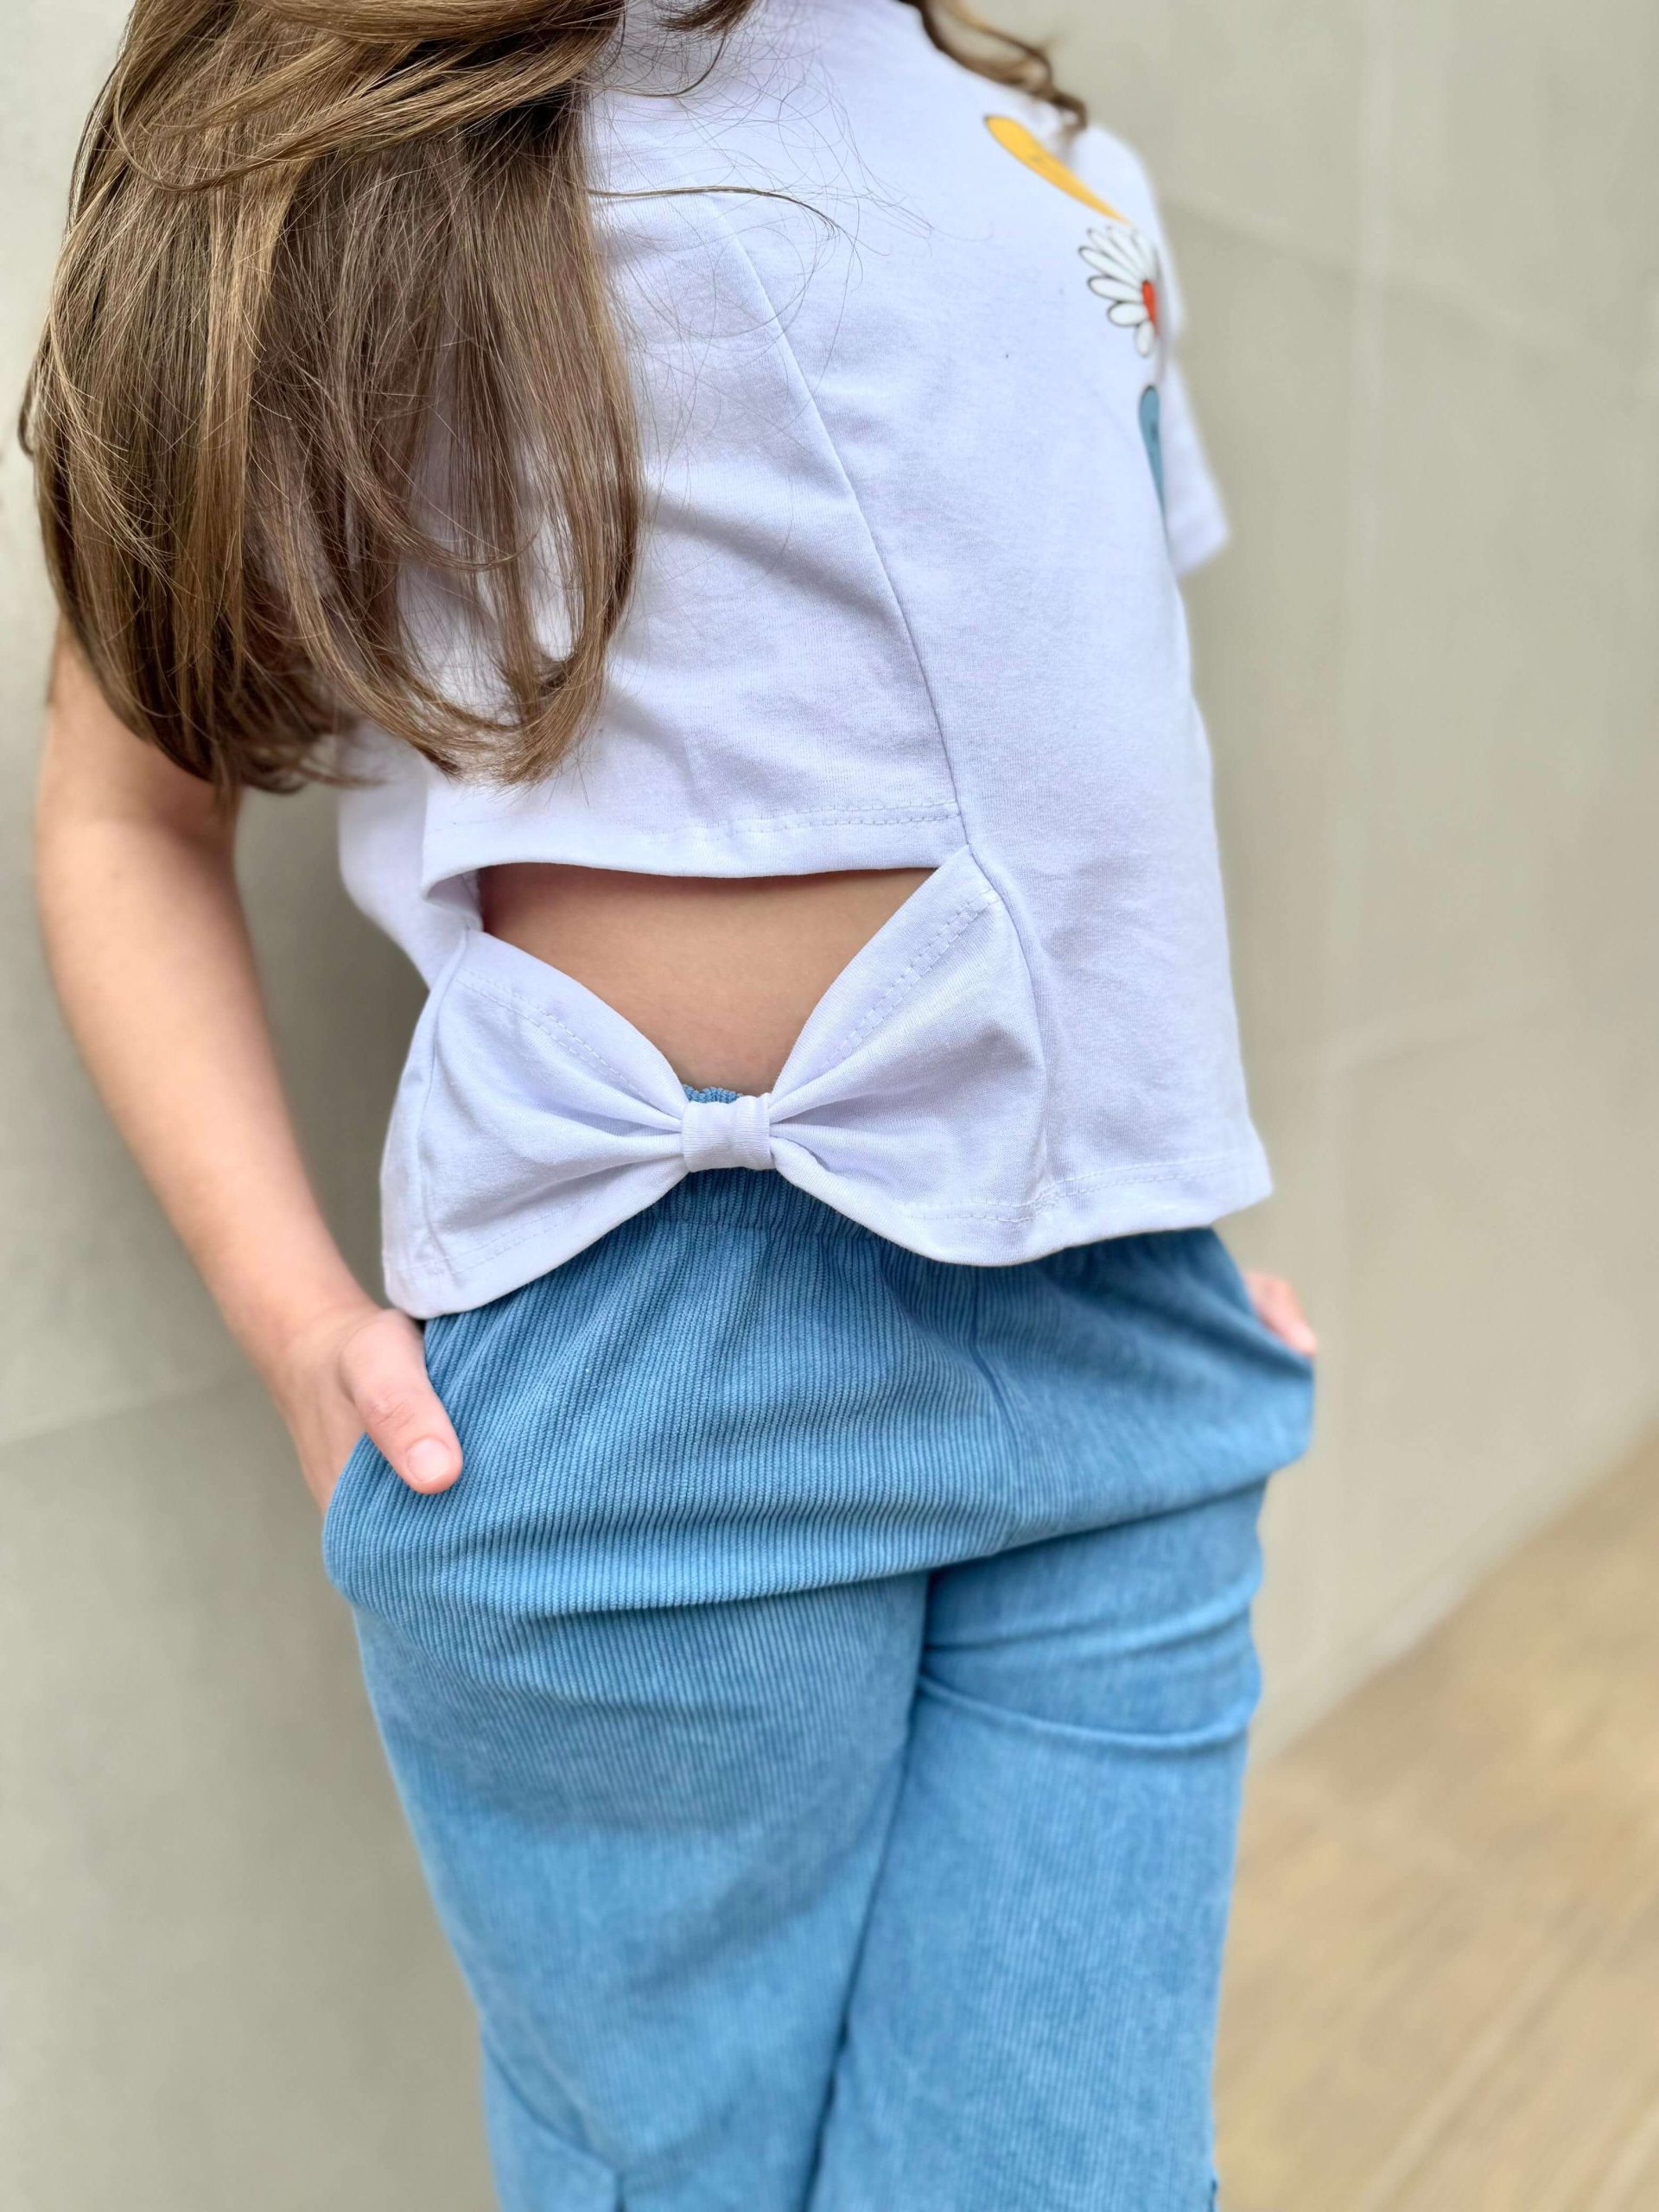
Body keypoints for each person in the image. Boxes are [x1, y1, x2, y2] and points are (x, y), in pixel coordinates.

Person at [28, 1, 1318, 2204]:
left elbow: (1087, 734)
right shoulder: (380, 131)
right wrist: (293, 1317)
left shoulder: (1058, 166)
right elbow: (122, 806)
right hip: (650, 1391)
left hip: (1119, 1354)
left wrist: (1163, 1211)